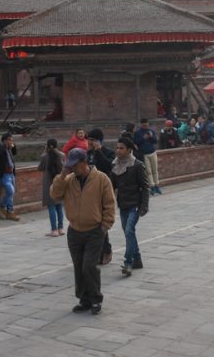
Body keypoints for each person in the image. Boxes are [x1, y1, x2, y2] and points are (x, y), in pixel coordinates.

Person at [50, 148, 116, 315]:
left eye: (75, 165)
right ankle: (84, 299)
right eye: (69, 165)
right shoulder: (69, 179)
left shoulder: (101, 179)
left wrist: (105, 226)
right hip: (75, 231)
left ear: (84, 162)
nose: (72, 168)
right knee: (78, 267)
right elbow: (54, 195)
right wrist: (62, 175)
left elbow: (109, 204)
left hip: (94, 230)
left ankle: (95, 299)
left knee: (89, 266)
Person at [111, 136, 150, 277]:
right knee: (129, 233)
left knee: (128, 231)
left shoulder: (137, 165)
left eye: (121, 148)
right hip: (123, 205)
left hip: (135, 204)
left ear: (129, 150)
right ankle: (137, 259)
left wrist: (144, 206)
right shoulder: (115, 165)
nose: (118, 150)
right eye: (117, 147)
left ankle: (128, 263)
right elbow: (111, 186)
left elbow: (145, 187)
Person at [86, 129, 115, 263]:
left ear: (99, 141)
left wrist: (99, 151)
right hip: (89, 192)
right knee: (92, 222)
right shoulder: (88, 154)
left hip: (104, 192)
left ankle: (106, 250)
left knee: (101, 222)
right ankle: (97, 252)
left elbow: (108, 167)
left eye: (92, 139)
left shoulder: (108, 152)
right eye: (89, 139)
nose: (89, 142)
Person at [38, 139, 66, 236]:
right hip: (58, 183)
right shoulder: (62, 155)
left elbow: (40, 168)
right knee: (59, 206)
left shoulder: (45, 157)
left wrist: (44, 152)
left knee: (51, 207)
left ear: (47, 146)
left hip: (48, 184)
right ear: (56, 145)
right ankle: (61, 228)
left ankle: (54, 230)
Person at [0, 132, 20, 221]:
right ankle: (1, 207)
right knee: (10, 191)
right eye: (9, 140)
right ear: (4, 140)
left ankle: (10, 212)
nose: (11, 142)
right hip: (3, 175)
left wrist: (12, 145)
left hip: (11, 174)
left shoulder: (9, 149)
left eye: (12, 140)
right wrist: (5, 146)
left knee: (10, 194)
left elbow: (15, 152)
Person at [134, 119, 161, 195]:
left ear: (148, 124)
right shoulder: (138, 133)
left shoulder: (151, 131)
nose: (145, 126)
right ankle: (152, 186)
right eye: (143, 125)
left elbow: (155, 141)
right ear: (141, 125)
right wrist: (143, 138)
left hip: (152, 152)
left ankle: (157, 186)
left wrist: (151, 137)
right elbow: (136, 142)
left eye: (146, 125)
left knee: (155, 170)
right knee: (148, 172)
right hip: (144, 154)